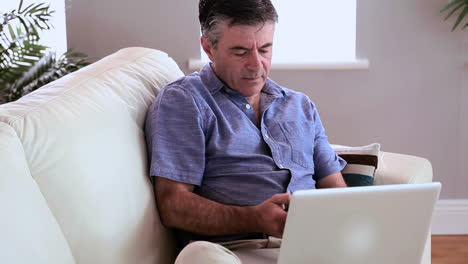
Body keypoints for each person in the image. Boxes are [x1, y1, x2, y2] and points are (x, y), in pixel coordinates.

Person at [145, 0, 348, 263]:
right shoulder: (185, 101)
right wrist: (254, 217)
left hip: (314, 247)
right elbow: (173, 205)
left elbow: (337, 190)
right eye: (240, 52)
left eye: (265, 49)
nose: (256, 65)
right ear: (209, 47)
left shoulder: (300, 105)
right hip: (236, 251)